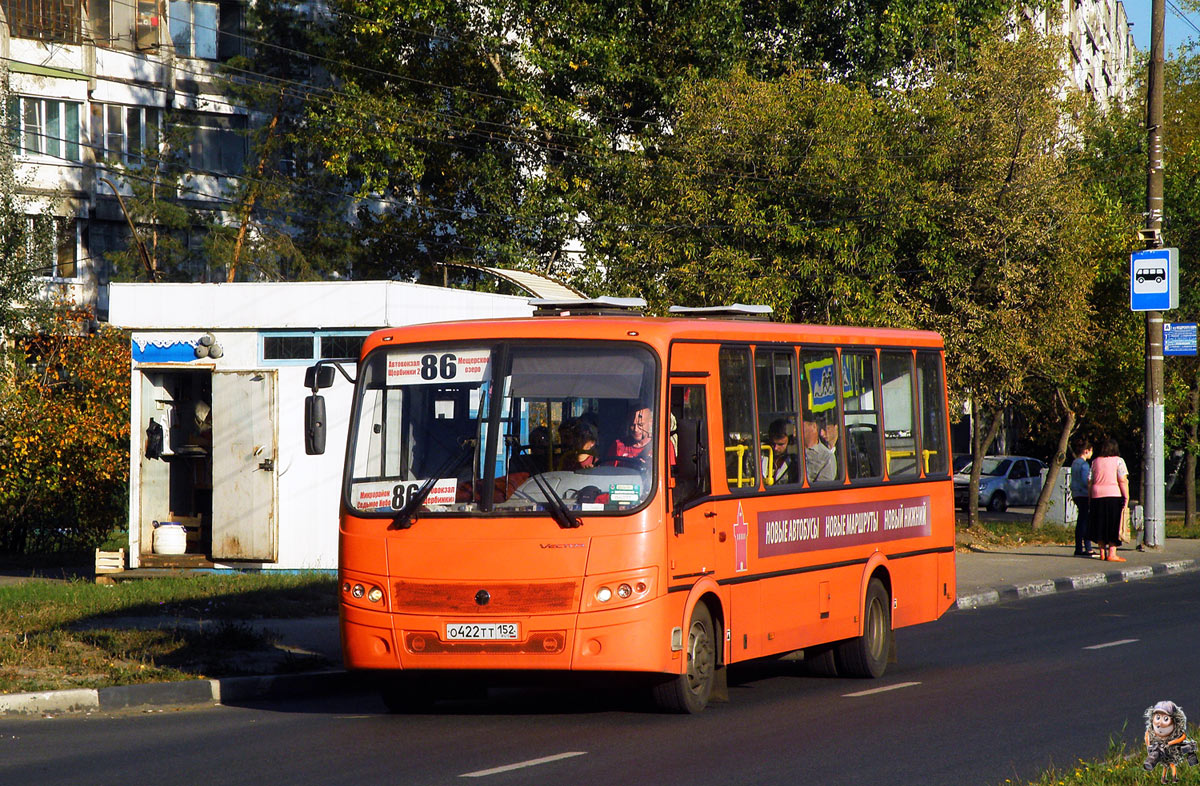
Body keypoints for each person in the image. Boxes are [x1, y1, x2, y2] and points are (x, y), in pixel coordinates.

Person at [1089, 437, 1129, 562]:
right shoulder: (1119, 461)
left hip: (1096, 495)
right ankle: (1112, 553)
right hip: (1113, 495)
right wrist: (1126, 496)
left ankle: (1102, 551)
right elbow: (1122, 479)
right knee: (1113, 524)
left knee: (1099, 523)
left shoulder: (1095, 462)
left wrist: (1090, 496)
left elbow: (1089, 481)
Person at [1070, 436, 1095, 557]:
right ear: (1086, 451)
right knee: (1085, 521)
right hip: (1084, 494)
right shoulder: (1084, 465)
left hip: (1075, 494)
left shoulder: (1074, 463)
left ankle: (1079, 547)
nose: (1091, 454)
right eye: (1091, 451)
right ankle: (1086, 548)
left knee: (1081, 520)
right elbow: (1087, 481)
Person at [761, 419, 797, 485]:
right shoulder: (758, 455)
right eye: (772, 444)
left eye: (780, 444)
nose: (775, 448)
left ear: (790, 442)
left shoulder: (796, 461)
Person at [803, 419, 836, 483]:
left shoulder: (827, 457)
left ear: (814, 427)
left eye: (800, 426)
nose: (794, 431)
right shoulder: (791, 451)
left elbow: (822, 488)